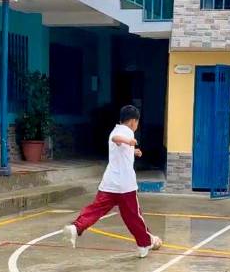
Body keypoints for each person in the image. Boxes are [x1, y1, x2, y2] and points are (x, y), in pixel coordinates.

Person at [64, 105, 162, 258]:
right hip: (125, 186)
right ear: (133, 121)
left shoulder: (117, 129)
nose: (137, 126)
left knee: (95, 209)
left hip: (110, 183)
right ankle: (144, 244)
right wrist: (130, 141)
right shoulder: (124, 132)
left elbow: (118, 146)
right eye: (137, 122)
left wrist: (132, 150)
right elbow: (117, 139)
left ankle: (76, 228)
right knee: (134, 217)